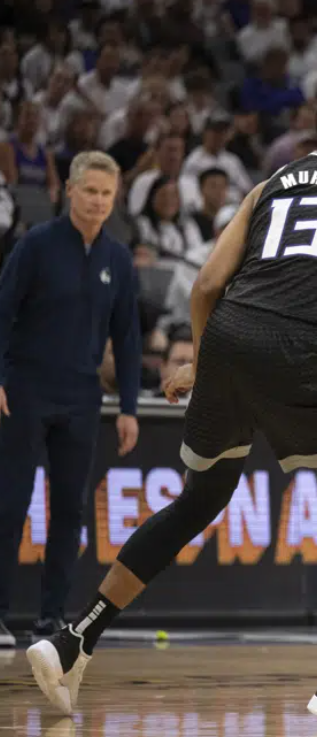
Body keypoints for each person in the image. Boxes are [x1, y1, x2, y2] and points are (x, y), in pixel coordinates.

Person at [27, 89, 317, 729]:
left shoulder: (270, 183)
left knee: (200, 498)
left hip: (227, 335)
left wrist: (199, 361)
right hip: (299, 343)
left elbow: (206, 284)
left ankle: (73, 638)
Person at [0, 152, 140, 648]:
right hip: (25, 389)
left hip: (82, 397)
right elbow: (3, 310)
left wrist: (127, 407)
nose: (99, 202)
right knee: (10, 503)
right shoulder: (36, 245)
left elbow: (126, 337)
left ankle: (52, 619)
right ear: (69, 192)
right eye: (91, 192)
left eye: (107, 194)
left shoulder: (117, 259)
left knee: (69, 511)